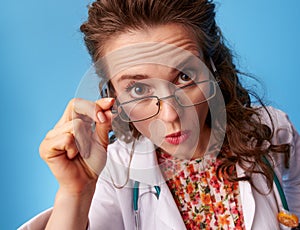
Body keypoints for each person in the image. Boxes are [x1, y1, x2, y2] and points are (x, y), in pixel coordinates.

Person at [19, 0, 300, 229]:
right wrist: (75, 194)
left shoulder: (272, 129)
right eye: (139, 88)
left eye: (185, 76)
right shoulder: (113, 172)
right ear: (112, 95)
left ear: (212, 67)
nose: (170, 116)